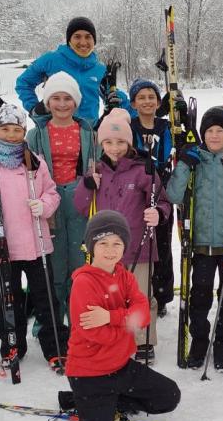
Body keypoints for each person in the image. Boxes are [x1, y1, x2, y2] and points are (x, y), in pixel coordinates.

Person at [0, 211, 181, 421]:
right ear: (91, 246)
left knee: (169, 395)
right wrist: (127, 326)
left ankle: (83, 403)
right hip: (90, 376)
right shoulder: (84, 283)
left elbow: (144, 312)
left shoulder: (123, 276)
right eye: (103, 243)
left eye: (117, 243)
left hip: (121, 368)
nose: (110, 250)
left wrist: (112, 317)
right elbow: (98, 335)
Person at [0, 103, 70, 368]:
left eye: (17, 129)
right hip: (5, 248)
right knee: (7, 302)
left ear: (24, 131)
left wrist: (44, 205)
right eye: (5, 129)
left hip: (37, 245)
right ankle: (12, 345)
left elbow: (52, 192)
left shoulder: (35, 162)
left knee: (46, 299)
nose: (12, 134)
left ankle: (55, 346)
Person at [73, 108, 171, 362]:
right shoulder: (97, 171)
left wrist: (157, 213)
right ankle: (113, 337)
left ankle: (143, 341)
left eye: (120, 142)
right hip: (105, 251)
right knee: (109, 298)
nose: (114, 148)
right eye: (108, 142)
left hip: (139, 247)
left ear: (128, 142)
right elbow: (81, 207)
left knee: (139, 295)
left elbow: (163, 202)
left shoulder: (142, 170)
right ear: (100, 143)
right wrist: (86, 185)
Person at [167, 107, 223, 372]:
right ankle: (199, 340)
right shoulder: (195, 163)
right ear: (203, 134)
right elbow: (173, 195)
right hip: (201, 245)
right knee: (200, 296)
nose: (215, 135)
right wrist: (184, 163)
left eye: (220, 130)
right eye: (210, 131)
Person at [25, 71, 95, 326]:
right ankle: (50, 320)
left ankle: (78, 317)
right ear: (47, 102)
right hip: (49, 200)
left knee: (79, 260)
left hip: (79, 199)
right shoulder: (36, 134)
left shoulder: (87, 131)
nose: (62, 104)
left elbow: (95, 165)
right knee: (53, 262)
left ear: (76, 102)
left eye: (68, 98)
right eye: (56, 98)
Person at [129, 78, 175, 317]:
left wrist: (184, 119)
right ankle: (139, 289)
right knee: (141, 243)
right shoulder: (130, 126)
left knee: (163, 245)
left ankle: (162, 294)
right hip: (137, 194)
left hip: (162, 193)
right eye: (141, 97)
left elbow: (188, 143)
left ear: (158, 102)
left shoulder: (166, 127)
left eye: (151, 97)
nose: (147, 101)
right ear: (133, 103)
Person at [15, 17, 107, 124]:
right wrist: (33, 108)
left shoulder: (100, 68)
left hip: (89, 133)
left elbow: (112, 96)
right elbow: (24, 83)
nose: (83, 42)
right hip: (54, 131)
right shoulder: (51, 60)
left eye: (88, 37)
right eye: (77, 37)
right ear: (69, 40)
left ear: (94, 40)